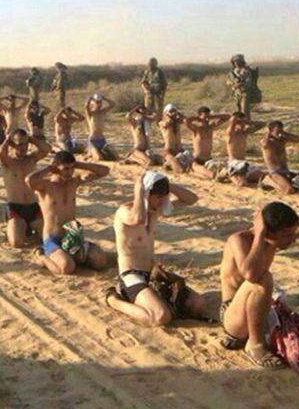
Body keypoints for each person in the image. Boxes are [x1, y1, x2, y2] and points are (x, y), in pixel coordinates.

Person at [219, 202, 299, 368]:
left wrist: (297, 221)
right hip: (234, 317)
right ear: (268, 233)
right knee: (263, 279)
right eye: (287, 235)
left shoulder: (278, 236)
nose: (292, 239)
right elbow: (251, 275)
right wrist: (259, 234)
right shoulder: (239, 240)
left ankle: (260, 336)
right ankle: (255, 345)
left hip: (260, 310)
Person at [106, 171, 204, 326]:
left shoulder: (155, 211)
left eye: (164, 196)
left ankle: (154, 298)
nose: (162, 201)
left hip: (152, 274)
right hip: (131, 275)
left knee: (197, 304)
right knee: (160, 316)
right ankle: (114, 300)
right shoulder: (124, 212)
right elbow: (138, 218)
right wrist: (139, 190)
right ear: (146, 194)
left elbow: (191, 199)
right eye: (158, 197)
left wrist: (167, 185)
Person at [26, 151, 109, 275]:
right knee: (67, 267)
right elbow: (29, 180)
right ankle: (41, 255)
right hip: (53, 238)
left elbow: (104, 171)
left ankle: (72, 255)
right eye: (65, 169)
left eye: (72, 168)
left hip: (72, 236)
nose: (69, 172)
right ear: (56, 167)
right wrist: (48, 168)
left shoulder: (74, 182)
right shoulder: (45, 186)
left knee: (100, 261)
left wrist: (79, 164)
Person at [0, 129, 50, 247]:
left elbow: (47, 149)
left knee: (48, 238)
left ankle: (27, 228)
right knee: (17, 243)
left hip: (33, 207)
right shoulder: (8, 162)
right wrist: (7, 140)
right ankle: (15, 227)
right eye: (19, 144)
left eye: (25, 144)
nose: (22, 148)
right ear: (12, 144)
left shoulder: (31, 159)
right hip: (16, 208)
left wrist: (31, 139)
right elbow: (0, 153)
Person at [184, 106, 231, 179]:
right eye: (205, 117)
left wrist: (212, 116)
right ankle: (214, 176)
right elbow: (186, 120)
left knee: (221, 166)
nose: (207, 119)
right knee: (200, 168)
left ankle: (198, 173)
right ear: (199, 116)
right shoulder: (196, 129)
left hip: (208, 159)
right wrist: (198, 118)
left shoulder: (211, 127)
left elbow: (228, 117)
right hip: (197, 159)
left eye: (208, 117)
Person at [221, 112, 265, 186]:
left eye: (243, 122)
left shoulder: (244, 132)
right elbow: (231, 120)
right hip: (234, 163)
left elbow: (262, 124)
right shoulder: (230, 134)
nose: (242, 124)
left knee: (262, 176)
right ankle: (228, 174)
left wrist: (247, 122)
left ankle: (236, 175)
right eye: (239, 122)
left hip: (243, 163)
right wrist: (236, 120)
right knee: (241, 183)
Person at [259, 121, 299, 195]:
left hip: (285, 170)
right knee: (289, 190)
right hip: (275, 172)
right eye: (277, 131)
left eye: (281, 130)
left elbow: (298, 139)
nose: (280, 133)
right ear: (271, 130)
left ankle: (278, 183)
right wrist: (269, 134)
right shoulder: (268, 142)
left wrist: (285, 133)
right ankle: (267, 180)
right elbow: (264, 143)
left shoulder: (282, 140)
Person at [159, 104, 193, 173]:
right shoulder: (162, 123)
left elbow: (187, 120)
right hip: (169, 150)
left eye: (174, 111)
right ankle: (170, 164)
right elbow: (167, 123)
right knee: (176, 164)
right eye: (171, 111)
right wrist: (167, 115)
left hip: (179, 149)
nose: (173, 113)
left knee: (192, 160)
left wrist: (178, 114)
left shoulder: (177, 122)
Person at [84, 93, 118, 161]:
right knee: (99, 158)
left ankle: (92, 152)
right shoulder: (90, 113)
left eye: (100, 102)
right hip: (93, 140)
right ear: (93, 103)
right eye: (97, 102)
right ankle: (90, 153)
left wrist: (104, 98)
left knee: (115, 156)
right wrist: (90, 98)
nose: (99, 104)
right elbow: (86, 106)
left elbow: (113, 104)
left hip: (102, 140)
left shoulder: (102, 112)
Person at [227, 54, 261, 119]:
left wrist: (240, 84)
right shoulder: (233, 72)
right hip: (236, 93)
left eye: (238, 61)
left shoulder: (246, 71)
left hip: (245, 93)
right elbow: (228, 81)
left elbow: (248, 83)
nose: (237, 63)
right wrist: (232, 83)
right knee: (237, 111)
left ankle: (247, 122)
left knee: (245, 111)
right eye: (235, 61)